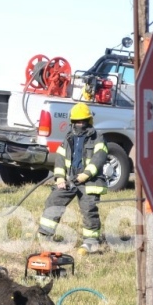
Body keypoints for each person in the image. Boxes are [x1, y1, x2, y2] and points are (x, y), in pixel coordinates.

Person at [37, 103, 108, 254]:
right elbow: (60, 159)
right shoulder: (69, 138)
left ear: (89, 121)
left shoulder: (98, 138)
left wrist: (86, 175)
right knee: (54, 200)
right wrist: (59, 178)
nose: (79, 124)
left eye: (82, 121)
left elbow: (99, 158)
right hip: (70, 180)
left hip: (90, 181)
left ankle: (91, 242)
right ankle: (45, 235)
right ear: (72, 122)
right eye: (76, 121)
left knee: (88, 210)